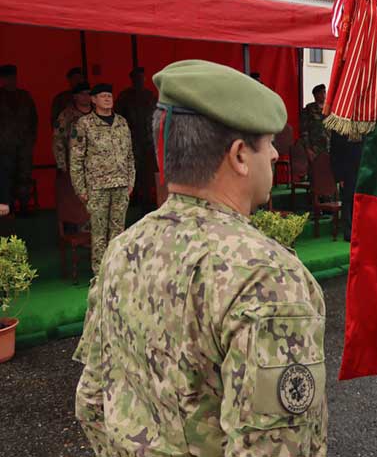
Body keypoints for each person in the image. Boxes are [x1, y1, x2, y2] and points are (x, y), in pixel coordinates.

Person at [73, 59, 327, 456]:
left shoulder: (123, 249)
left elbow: (91, 401)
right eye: (268, 143)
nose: (277, 154)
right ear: (240, 155)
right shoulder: (265, 277)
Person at [69, 83, 135, 274]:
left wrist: (130, 181)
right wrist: (81, 189)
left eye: (110, 95)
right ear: (93, 99)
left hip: (121, 185)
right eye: (103, 96)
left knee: (118, 232)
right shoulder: (84, 124)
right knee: (98, 234)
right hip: (97, 187)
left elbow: (130, 155)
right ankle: (100, 275)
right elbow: (76, 159)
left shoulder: (121, 122)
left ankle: (117, 272)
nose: (107, 98)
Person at [116, 67, 157, 206]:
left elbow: (156, 117)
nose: (139, 81)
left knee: (147, 170)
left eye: (141, 78)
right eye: (137, 78)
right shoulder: (125, 97)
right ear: (132, 80)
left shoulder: (150, 96)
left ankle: (146, 196)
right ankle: (135, 195)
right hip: (131, 139)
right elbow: (118, 118)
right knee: (132, 169)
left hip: (147, 140)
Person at [0, 64, 38, 213]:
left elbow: (34, 119)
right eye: (7, 78)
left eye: (13, 77)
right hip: (4, 146)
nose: (11, 80)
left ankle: (24, 205)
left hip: (24, 145)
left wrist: (30, 140)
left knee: (24, 175)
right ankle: (8, 207)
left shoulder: (25, 97)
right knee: (5, 178)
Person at [53, 82, 92, 173]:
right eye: (82, 94)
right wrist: (62, 164)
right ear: (75, 96)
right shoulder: (66, 115)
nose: (86, 96)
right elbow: (58, 140)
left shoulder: (99, 112)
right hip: (75, 165)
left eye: (88, 93)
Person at [300, 84, 331, 159]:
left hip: (329, 148)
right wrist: (308, 149)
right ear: (315, 95)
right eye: (321, 93)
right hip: (315, 148)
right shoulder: (308, 109)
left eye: (324, 92)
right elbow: (304, 131)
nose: (323, 95)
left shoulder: (330, 109)